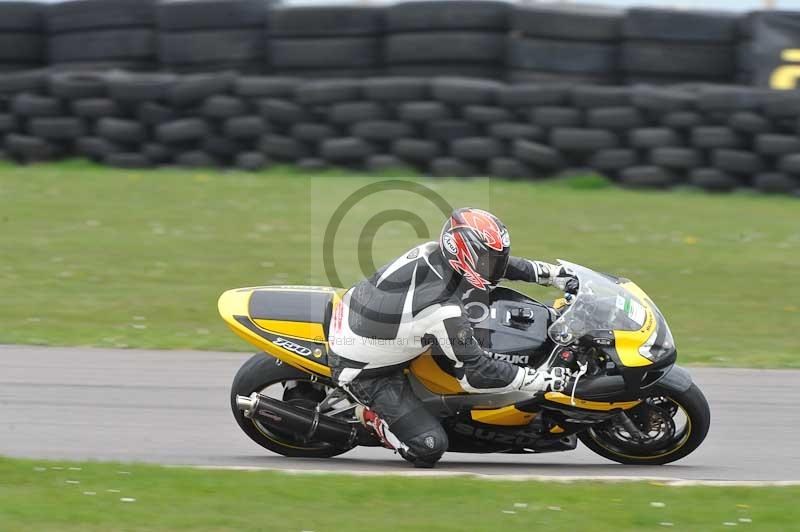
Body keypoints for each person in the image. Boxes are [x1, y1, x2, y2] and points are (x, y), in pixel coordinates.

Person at [327, 208, 575, 468]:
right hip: (367, 371)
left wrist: (553, 275)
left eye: (496, 259)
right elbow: (478, 372)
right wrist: (542, 380)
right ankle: (370, 418)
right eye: (488, 260)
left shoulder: (433, 252)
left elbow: (502, 267)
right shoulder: (442, 307)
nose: (496, 267)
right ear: (462, 254)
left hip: (367, 318)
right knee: (428, 448)